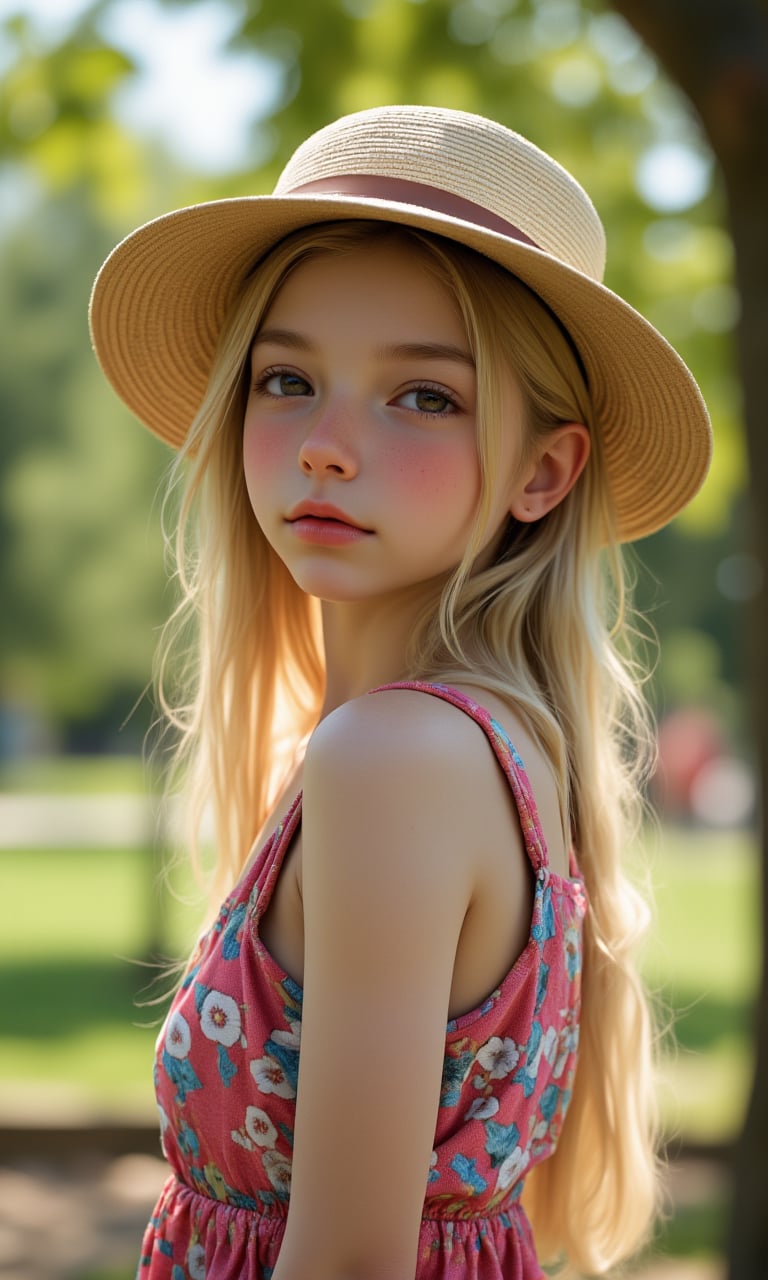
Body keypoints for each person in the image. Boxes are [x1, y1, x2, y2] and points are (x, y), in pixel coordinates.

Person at [89, 105, 712, 1280]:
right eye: (287, 378)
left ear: (542, 470)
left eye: (424, 396)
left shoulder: (396, 756)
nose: (325, 444)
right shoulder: (495, 745)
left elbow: (345, 1263)